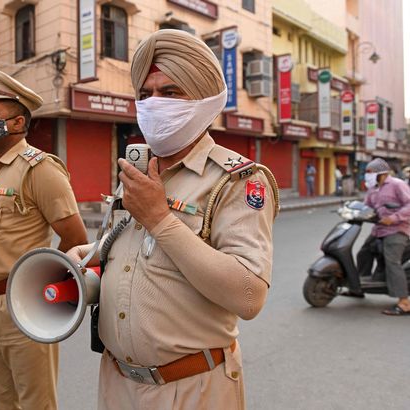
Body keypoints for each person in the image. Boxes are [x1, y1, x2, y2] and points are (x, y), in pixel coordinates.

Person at [66, 29, 278, 409]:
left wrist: (161, 219)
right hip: (116, 381)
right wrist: (85, 254)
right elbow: (126, 246)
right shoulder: (139, 168)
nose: (153, 104)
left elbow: (249, 297)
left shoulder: (236, 180)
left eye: (170, 92)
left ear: (204, 99)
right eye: (145, 95)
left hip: (191, 387)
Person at [0, 70, 88, 409]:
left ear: (17, 123)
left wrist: (36, 289)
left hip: (19, 303)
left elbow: (75, 238)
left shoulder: (40, 169)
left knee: (35, 402)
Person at [349, 158, 410, 315]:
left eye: (370, 173)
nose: (367, 176)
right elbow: (366, 206)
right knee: (363, 253)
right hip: (379, 230)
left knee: (392, 262)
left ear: (381, 174)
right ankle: (358, 287)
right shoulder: (374, 189)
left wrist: (394, 218)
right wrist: (351, 209)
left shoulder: (397, 185)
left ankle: (404, 302)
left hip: (397, 230)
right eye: (367, 173)